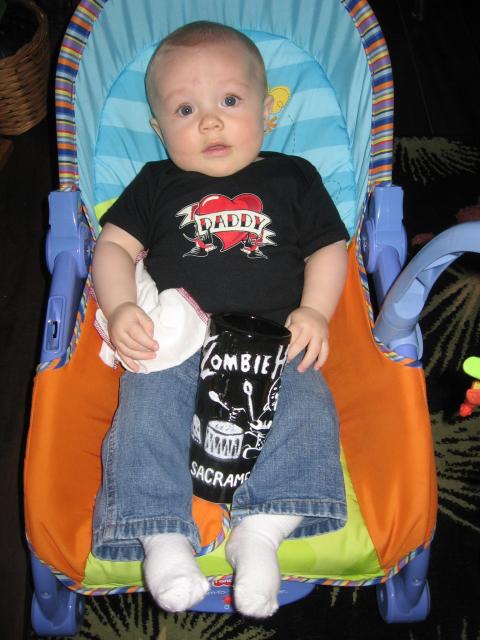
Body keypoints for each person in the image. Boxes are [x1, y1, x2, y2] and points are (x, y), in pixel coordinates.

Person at [92, 21, 349, 619]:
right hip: (179, 342)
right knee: (144, 408)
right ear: (159, 129)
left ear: (268, 112)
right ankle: (161, 535)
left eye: (230, 101)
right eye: (186, 109)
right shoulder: (156, 183)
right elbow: (112, 248)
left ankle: (260, 531)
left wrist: (315, 310)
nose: (209, 122)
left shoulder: (292, 176)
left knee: (309, 407)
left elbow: (328, 248)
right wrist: (120, 305)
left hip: (272, 344)